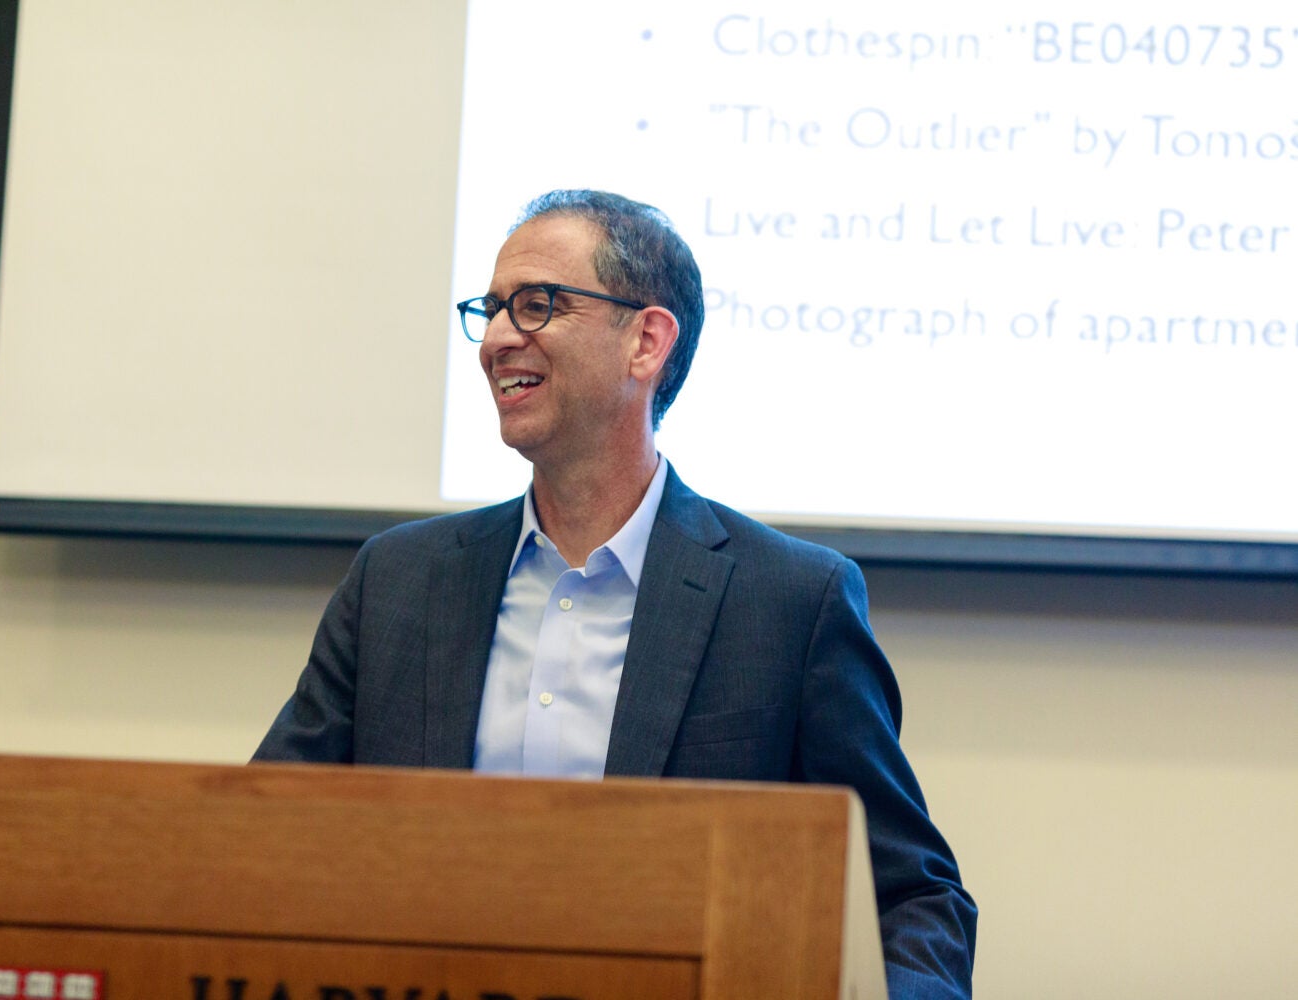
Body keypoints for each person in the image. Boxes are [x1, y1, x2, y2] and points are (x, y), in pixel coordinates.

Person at [254, 189, 977, 998]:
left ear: (647, 341)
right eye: (490, 311)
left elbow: (912, 898)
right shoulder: (398, 581)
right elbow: (267, 841)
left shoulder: (792, 602)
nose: (497, 339)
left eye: (535, 307)